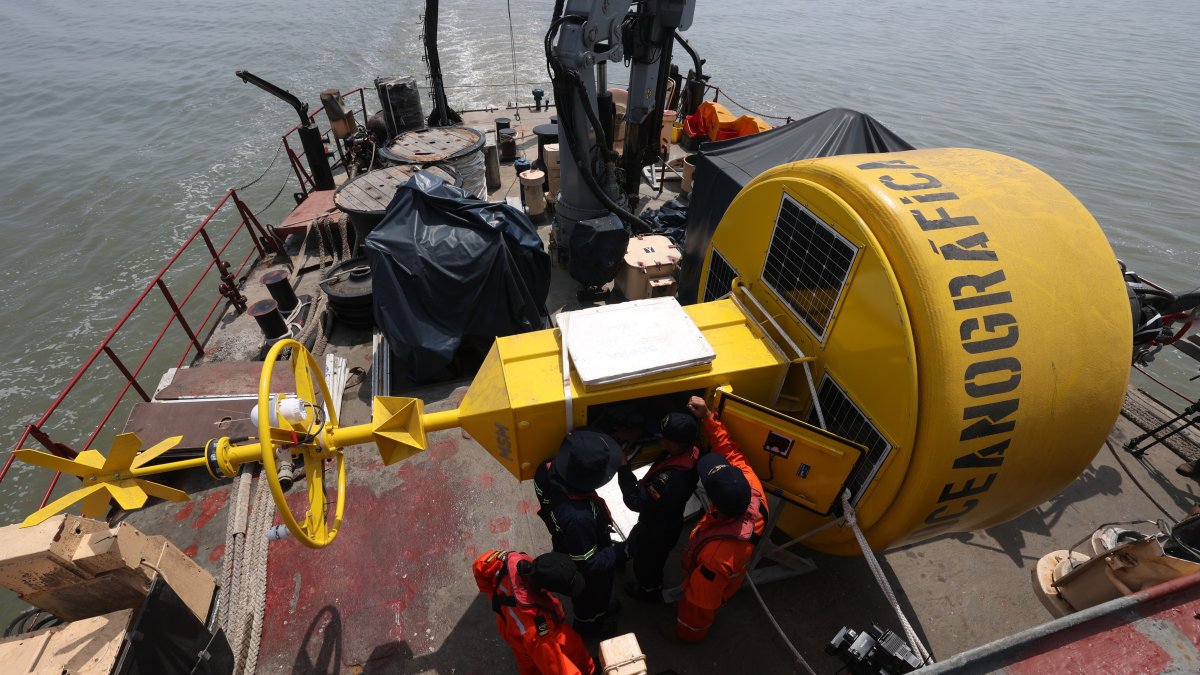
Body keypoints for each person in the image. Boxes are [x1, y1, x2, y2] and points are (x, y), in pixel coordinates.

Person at [676, 395, 769, 643]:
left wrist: (690, 588)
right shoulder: (751, 484)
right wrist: (707, 417)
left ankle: (688, 636)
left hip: (709, 586)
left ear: (714, 503)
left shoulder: (716, 558)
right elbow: (730, 451)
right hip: (722, 567)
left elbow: (702, 600)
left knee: (695, 613)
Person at [533, 429, 626, 636]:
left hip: (564, 539)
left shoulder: (544, 470)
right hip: (583, 552)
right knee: (591, 593)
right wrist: (621, 551)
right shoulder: (579, 518)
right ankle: (590, 625)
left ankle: (598, 610)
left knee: (595, 594)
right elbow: (588, 564)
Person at [617, 410, 700, 602]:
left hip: (659, 529)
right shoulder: (690, 446)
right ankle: (623, 554)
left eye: (664, 438)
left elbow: (635, 501)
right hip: (660, 520)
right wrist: (636, 433)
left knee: (647, 564)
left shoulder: (670, 481)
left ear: (676, 443)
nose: (659, 440)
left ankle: (649, 590)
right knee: (637, 538)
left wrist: (623, 468)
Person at [472, 549, 596, 675]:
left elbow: (480, 564)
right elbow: (557, 669)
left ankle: (587, 669)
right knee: (533, 668)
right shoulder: (538, 628)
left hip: (507, 620)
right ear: (543, 590)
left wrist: (490, 592)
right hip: (521, 635)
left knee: (574, 643)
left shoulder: (513, 562)